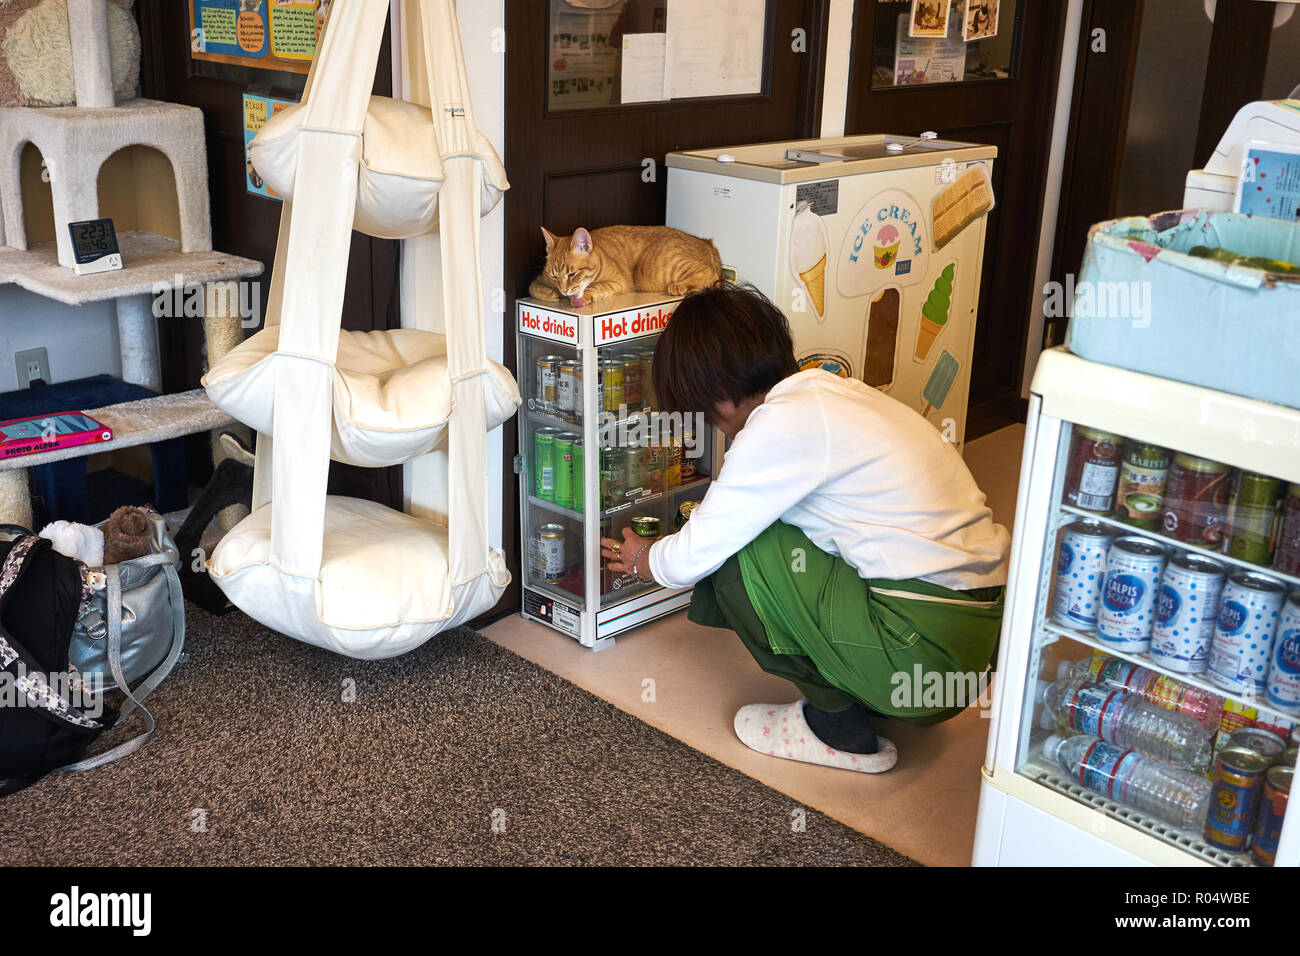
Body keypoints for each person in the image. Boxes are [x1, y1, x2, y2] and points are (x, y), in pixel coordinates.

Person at [600, 285, 1010, 773]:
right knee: (761, 527)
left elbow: (694, 555)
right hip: (971, 648)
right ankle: (868, 690)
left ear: (716, 393)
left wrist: (646, 559)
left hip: (920, 651)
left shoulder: (779, 425)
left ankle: (836, 728)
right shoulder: (833, 392)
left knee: (738, 548)